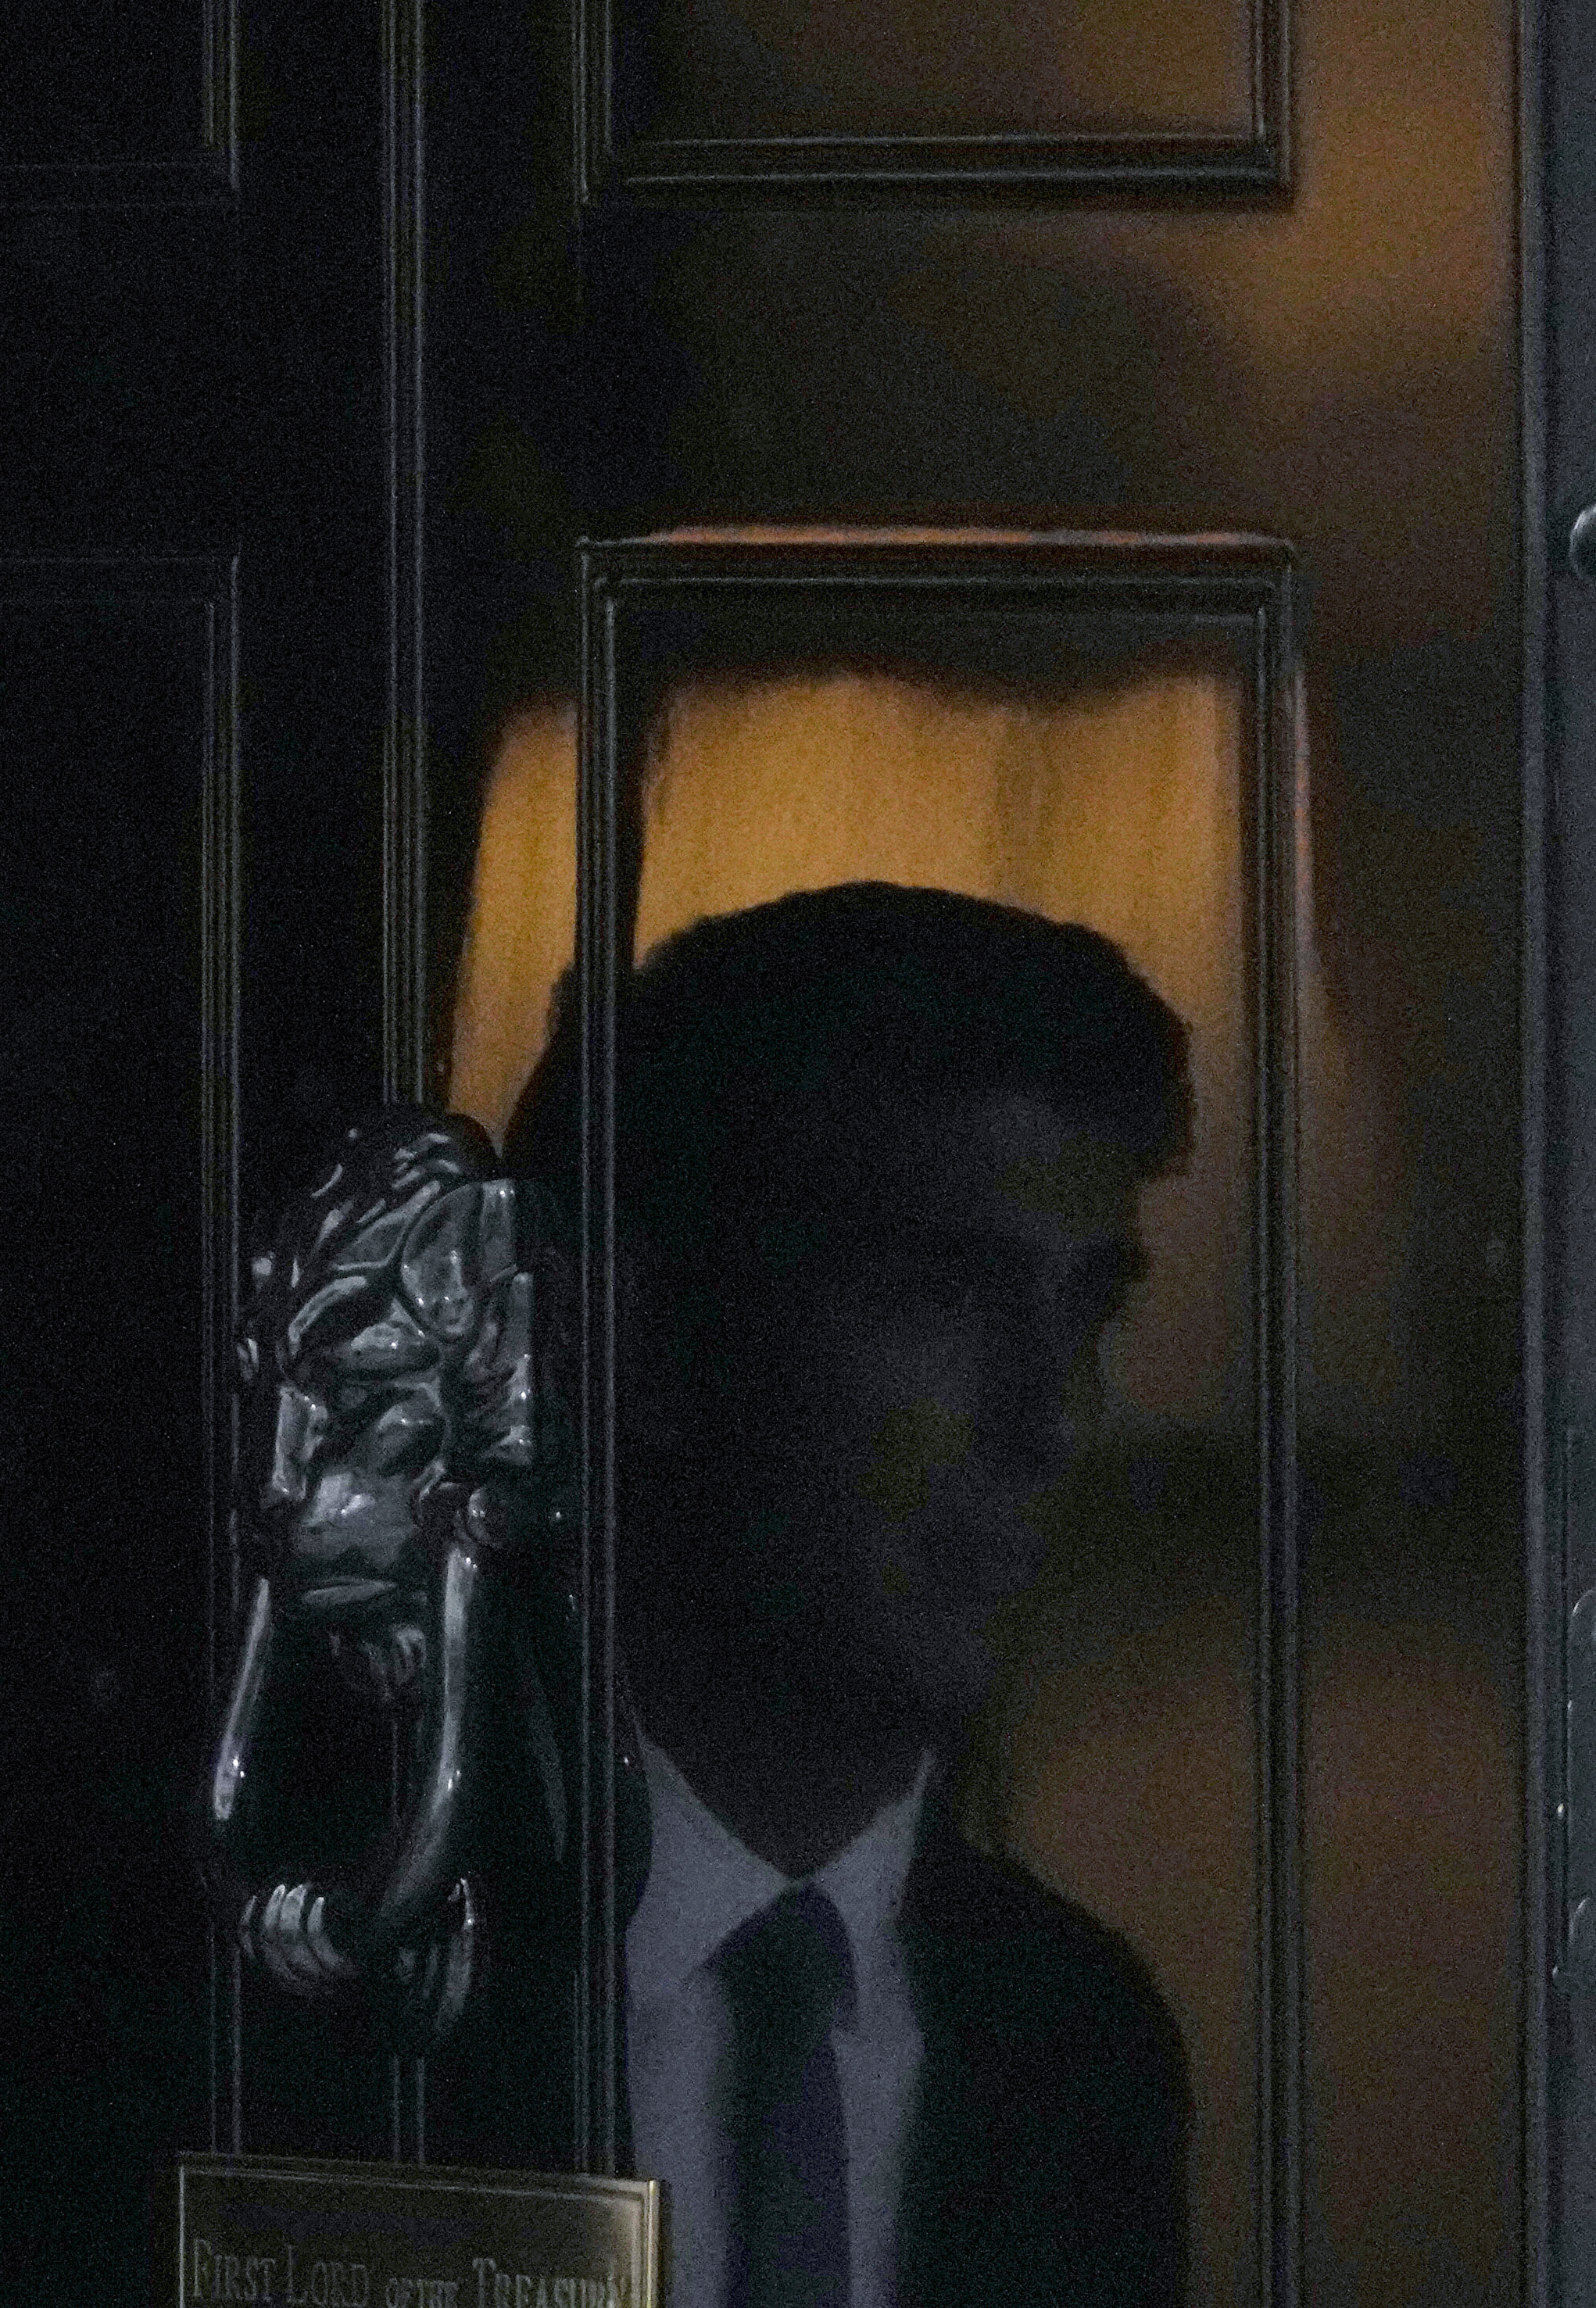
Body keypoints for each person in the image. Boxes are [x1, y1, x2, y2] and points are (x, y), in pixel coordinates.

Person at [504, 882, 1192, 2308]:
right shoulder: (359, 1984)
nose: (1054, 1418)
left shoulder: (1077, 2043)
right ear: (653, 1346)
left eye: (1087, 1309)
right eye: (942, 1296)